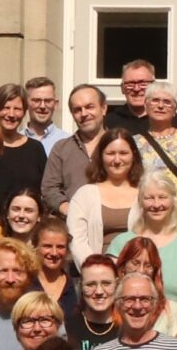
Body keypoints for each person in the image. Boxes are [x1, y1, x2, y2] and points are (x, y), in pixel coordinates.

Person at [65, 129, 145, 263]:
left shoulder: (145, 194)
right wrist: (96, 269)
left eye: (123, 153)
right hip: (97, 274)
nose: (117, 160)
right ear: (101, 156)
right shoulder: (84, 195)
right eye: (111, 153)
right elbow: (77, 241)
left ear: (134, 155)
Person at [41, 84, 111, 213]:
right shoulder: (61, 148)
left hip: (113, 226)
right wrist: (68, 210)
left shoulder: (118, 146)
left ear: (104, 108)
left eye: (90, 107)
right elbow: (49, 188)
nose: (84, 114)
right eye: (77, 110)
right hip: (71, 226)